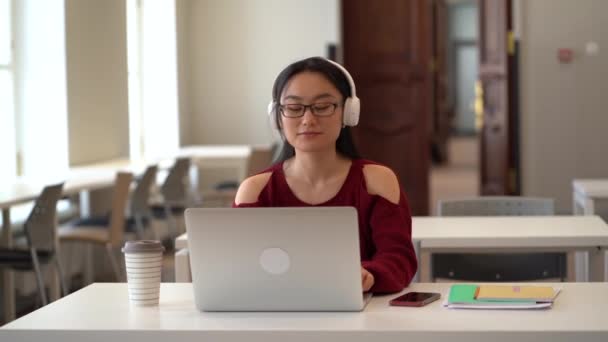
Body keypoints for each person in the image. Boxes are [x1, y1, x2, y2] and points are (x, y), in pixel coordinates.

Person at [234, 57, 417, 294]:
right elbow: (239, 267)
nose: (308, 120)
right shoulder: (255, 191)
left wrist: (370, 275)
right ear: (278, 117)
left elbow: (398, 259)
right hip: (276, 314)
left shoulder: (376, 182)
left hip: (363, 314)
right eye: (294, 108)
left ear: (348, 112)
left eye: (322, 107)